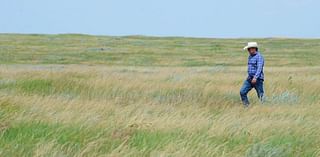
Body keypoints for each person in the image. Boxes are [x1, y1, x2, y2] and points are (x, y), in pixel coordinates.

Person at [240, 42, 265, 107]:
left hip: (258, 79)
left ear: (254, 49)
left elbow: (259, 68)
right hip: (250, 78)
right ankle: (246, 106)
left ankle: (264, 108)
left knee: (260, 95)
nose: (248, 51)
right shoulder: (250, 56)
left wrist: (255, 77)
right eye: (248, 49)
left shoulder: (259, 57)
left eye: (249, 49)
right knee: (242, 92)